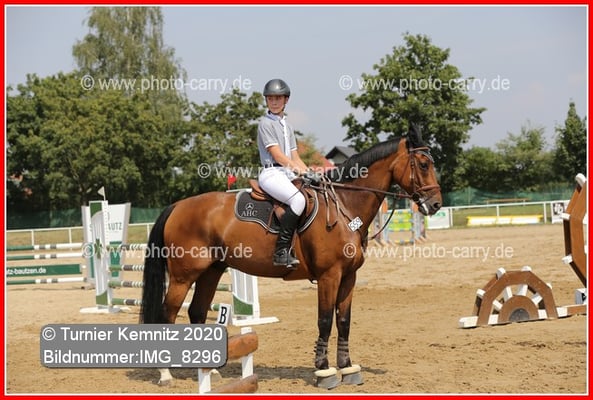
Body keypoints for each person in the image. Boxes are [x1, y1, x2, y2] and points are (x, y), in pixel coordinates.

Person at [257, 79, 309, 268]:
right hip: (272, 173)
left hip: (287, 173)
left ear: (286, 100)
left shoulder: (288, 126)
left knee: (313, 194)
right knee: (299, 201)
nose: (274, 102)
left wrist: (310, 173)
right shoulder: (265, 123)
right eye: (270, 98)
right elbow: (278, 155)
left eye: (278, 98)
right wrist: (297, 170)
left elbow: (295, 156)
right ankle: (281, 251)